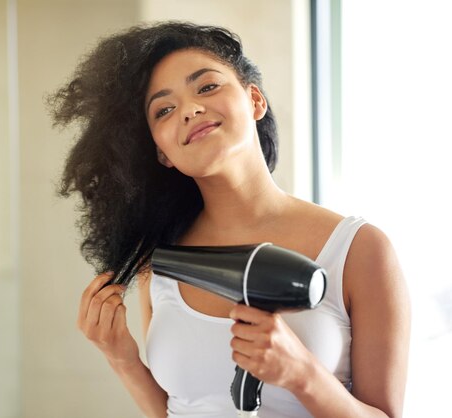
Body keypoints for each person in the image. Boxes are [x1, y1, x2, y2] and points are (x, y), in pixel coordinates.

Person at [49, 21, 410, 418]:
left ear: (255, 100)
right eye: (164, 110)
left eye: (207, 86)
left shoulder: (357, 249)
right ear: (162, 153)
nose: (190, 110)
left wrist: (303, 375)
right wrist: (122, 358)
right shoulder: (164, 261)